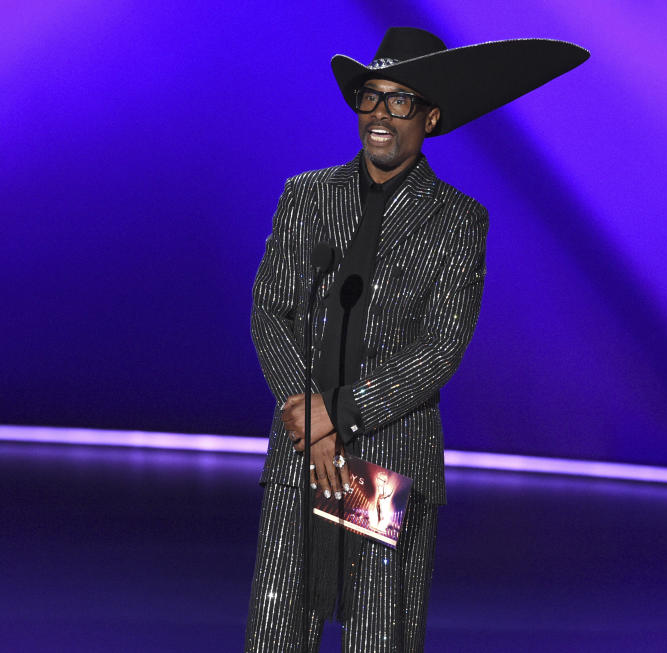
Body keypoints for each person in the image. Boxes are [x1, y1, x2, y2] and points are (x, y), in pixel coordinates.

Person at [245, 27, 588, 652]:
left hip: (382, 464)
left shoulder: (457, 220)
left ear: (430, 118)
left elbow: (439, 348)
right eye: (370, 96)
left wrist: (339, 416)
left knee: (377, 637)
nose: (379, 113)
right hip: (303, 455)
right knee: (276, 632)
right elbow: (271, 311)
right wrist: (311, 419)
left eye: (399, 100)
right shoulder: (307, 196)